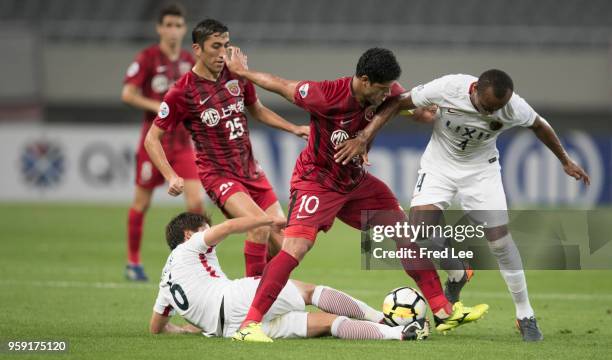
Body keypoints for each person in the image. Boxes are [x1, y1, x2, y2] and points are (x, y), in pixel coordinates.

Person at [224, 47, 489, 342]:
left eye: (390, 88)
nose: (386, 94)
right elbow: (280, 84)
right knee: (295, 248)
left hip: (355, 182)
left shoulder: (387, 93)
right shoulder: (324, 95)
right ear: (364, 80)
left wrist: (426, 113)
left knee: (405, 232)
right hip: (317, 181)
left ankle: (442, 310)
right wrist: (244, 73)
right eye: (381, 89)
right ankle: (249, 325)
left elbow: (410, 107)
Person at [334, 69, 591, 342]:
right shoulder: (449, 87)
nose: (491, 113)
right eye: (487, 106)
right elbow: (399, 102)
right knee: (420, 235)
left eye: (498, 109)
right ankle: (458, 271)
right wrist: (363, 138)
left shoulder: (513, 107)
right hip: (439, 168)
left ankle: (525, 314)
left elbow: (540, 125)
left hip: (482, 172)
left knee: (500, 243)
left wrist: (565, 160)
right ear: (475, 89)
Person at [144, 19, 309, 278]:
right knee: (259, 226)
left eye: (226, 46)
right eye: (215, 46)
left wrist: (295, 128)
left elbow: (259, 111)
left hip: (252, 172)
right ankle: (250, 303)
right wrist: (170, 175)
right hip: (219, 175)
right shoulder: (182, 92)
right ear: (197, 49)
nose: (223, 53)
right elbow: (152, 138)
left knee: (288, 248)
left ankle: (264, 296)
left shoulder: (236, 75)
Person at [149, 212, 429, 341]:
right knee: (309, 292)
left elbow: (157, 327)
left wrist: (186, 328)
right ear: (188, 234)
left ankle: (399, 334)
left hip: (228, 331)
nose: (207, 231)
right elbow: (230, 226)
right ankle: (381, 319)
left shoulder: (165, 281)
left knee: (326, 324)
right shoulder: (190, 246)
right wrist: (267, 220)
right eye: (203, 228)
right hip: (236, 300)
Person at [121, 3, 203, 281]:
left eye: (178, 25)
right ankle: (133, 262)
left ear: (184, 29)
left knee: (196, 202)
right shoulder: (147, 58)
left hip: (182, 143)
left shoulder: (189, 62)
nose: (173, 30)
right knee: (141, 203)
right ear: (159, 28)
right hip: (153, 143)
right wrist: (159, 106)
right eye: (167, 25)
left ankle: (197, 262)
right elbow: (128, 94)